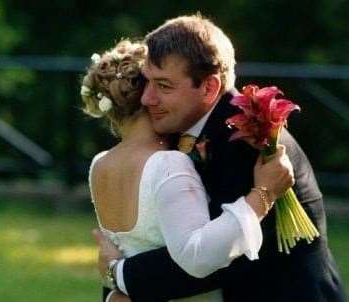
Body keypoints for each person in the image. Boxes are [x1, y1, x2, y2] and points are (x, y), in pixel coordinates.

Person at [94, 15, 348, 302]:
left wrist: (119, 273)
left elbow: (215, 260)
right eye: (147, 83)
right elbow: (144, 235)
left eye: (164, 86)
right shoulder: (173, 130)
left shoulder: (252, 141)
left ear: (209, 87)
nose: (146, 98)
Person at [81, 39, 294, 302]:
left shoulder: (99, 164)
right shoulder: (167, 163)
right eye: (158, 85)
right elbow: (199, 255)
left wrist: (114, 285)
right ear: (145, 96)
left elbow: (123, 249)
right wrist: (263, 195)